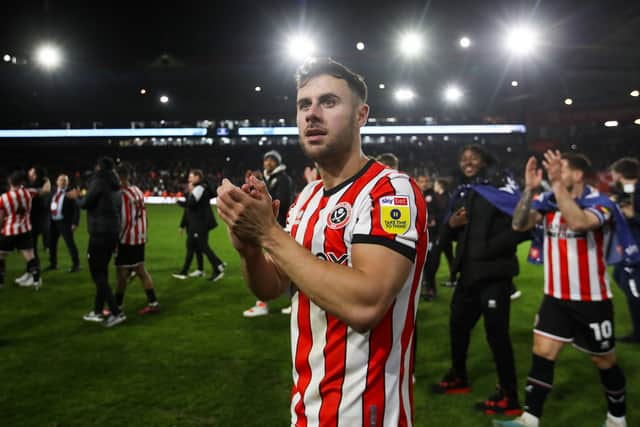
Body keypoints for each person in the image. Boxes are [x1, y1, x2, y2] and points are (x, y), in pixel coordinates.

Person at [216, 57, 428, 426]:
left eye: (328, 102)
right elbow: (273, 287)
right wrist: (250, 249)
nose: (312, 114)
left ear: (361, 115)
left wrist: (269, 232)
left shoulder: (390, 192)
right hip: (307, 407)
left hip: (366, 414)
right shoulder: (307, 198)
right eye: (303, 105)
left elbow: (366, 305)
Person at [497, 151, 630, 427]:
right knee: (542, 353)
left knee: (604, 361)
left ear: (577, 175)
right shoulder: (547, 203)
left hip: (592, 300)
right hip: (555, 298)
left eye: (561, 170)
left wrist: (556, 186)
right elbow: (518, 223)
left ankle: (617, 418)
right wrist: (530, 190)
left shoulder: (601, 203)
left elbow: (580, 222)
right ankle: (529, 419)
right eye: (553, 171)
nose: (554, 174)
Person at [431, 144, 527, 417]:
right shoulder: (463, 192)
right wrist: (451, 225)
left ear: (485, 160)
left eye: (473, 157)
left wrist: (490, 248)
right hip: (468, 275)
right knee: (457, 327)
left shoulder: (501, 188)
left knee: (497, 336)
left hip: (495, 275)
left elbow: (521, 228)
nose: (467, 161)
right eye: (463, 158)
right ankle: (458, 376)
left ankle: (508, 395)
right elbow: (448, 230)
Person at [67, 157, 126, 327]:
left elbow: (85, 203)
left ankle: (116, 312)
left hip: (100, 232)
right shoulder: (116, 184)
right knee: (103, 272)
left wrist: (76, 198)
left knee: (97, 273)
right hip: (112, 232)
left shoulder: (99, 180)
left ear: (99, 167)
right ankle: (98, 310)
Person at [243, 150, 293, 317]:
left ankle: (269, 303)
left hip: (279, 227)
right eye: (267, 160)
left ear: (277, 163)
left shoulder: (283, 179)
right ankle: (269, 302)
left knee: (281, 266)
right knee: (275, 266)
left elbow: (283, 202)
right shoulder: (268, 179)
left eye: (272, 160)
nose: (268, 163)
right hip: (271, 226)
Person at [114, 164, 159, 315]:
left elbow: (124, 220)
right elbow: (145, 215)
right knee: (140, 270)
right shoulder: (137, 191)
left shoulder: (122, 194)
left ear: (119, 177)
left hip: (127, 239)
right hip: (139, 237)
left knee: (121, 273)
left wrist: (116, 240)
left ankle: (117, 306)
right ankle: (153, 302)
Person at [172, 169, 225, 282]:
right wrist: (183, 225)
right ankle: (200, 270)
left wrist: (178, 202)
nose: (188, 179)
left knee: (201, 247)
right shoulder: (198, 189)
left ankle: (217, 269)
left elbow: (190, 204)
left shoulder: (200, 188)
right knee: (196, 247)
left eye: (191, 176)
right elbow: (190, 209)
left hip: (199, 225)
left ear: (197, 177)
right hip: (197, 224)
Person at [609, 157, 640, 343]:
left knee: (633, 290)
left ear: (619, 174)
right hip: (629, 248)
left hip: (637, 251)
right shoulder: (624, 193)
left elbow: (632, 217)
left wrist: (633, 215)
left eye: (613, 173)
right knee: (619, 276)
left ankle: (638, 334)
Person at [0, 171, 43, 289]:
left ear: (10, 182)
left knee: (1, 256)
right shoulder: (29, 192)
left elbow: (1, 217)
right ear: (21, 182)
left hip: (9, 231)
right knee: (30, 257)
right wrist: (46, 180)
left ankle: (0, 282)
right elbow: (45, 190)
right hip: (25, 230)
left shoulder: (4, 198)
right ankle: (36, 282)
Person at [14, 168, 50, 285]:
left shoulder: (32, 189)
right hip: (30, 223)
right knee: (29, 250)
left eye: (31, 172)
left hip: (33, 224)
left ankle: (35, 276)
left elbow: (44, 191)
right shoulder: (31, 188)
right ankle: (29, 273)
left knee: (31, 250)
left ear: (35, 175)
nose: (28, 173)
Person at [45, 174, 80, 273]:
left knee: (70, 243)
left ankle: (76, 265)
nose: (63, 182)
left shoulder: (70, 193)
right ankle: (53, 264)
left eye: (65, 180)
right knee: (52, 244)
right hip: (53, 222)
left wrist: (75, 223)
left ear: (67, 182)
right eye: (61, 180)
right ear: (57, 182)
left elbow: (76, 209)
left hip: (65, 222)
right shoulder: (53, 192)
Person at [416, 173, 442, 300]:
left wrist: (433, 219)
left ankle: (431, 290)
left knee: (431, 264)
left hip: (432, 236)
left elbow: (440, 213)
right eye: (421, 181)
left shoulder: (434, 196)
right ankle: (426, 289)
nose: (424, 184)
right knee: (421, 265)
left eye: (426, 181)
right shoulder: (414, 194)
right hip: (418, 236)